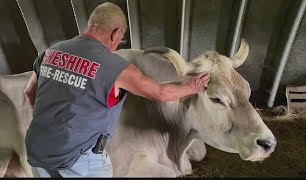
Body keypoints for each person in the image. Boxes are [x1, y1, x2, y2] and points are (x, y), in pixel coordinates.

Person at [23, 2, 210, 178]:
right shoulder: (117, 67)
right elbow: (160, 93)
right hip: (78, 159)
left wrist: (48, 124)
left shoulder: (50, 52)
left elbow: (29, 93)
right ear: (116, 33)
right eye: (122, 37)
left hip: (36, 149)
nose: (119, 42)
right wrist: (191, 87)